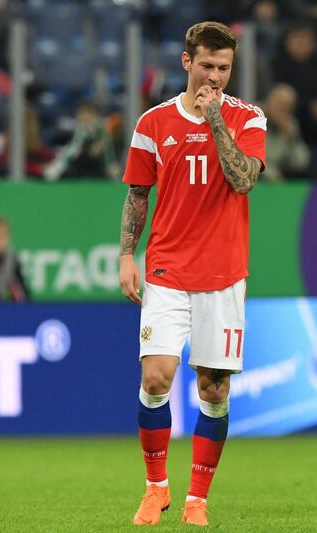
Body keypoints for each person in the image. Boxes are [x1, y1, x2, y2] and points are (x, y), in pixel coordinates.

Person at [118, 22, 266, 527]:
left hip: (224, 274)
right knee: (156, 375)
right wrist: (125, 255)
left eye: (224, 68)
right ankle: (155, 489)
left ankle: (196, 499)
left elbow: (242, 180)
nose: (216, 77)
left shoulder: (248, 117)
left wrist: (217, 120)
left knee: (213, 389)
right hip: (167, 269)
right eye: (207, 66)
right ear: (187, 63)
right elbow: (138, 194)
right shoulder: (153, 122)